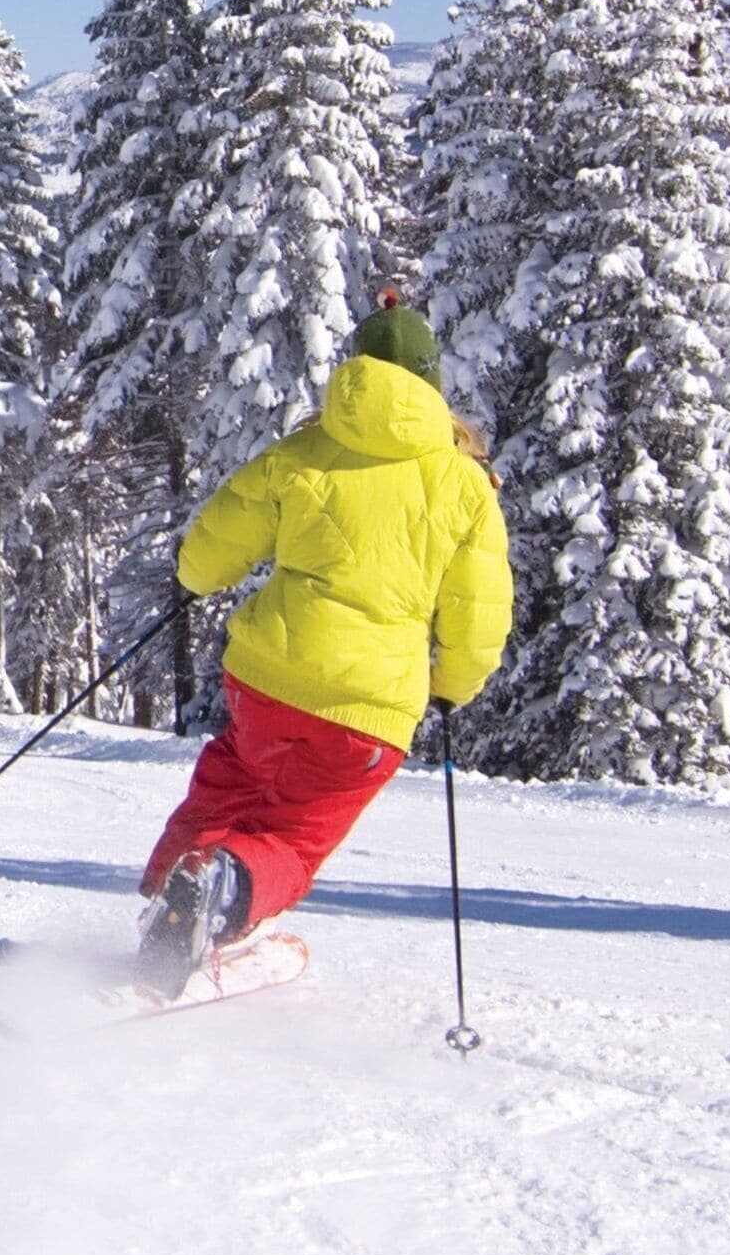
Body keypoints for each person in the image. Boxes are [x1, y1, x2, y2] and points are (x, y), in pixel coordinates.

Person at [138, 294, 509, 992]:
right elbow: (477, 612)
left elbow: (210, 552)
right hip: (367, 709)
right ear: (432, 383)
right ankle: (223, 890)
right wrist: (452, 685)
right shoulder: (464, 486)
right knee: (294, 835)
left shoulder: (303, 452)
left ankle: (172, 902)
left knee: (233, 778)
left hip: (268, 678)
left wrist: (196, 580)